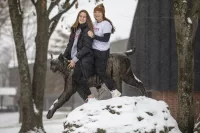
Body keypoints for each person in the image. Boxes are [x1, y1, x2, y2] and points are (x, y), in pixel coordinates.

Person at [88, 3, 121, 97]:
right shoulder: (93, 24)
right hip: (93, 50)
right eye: (95, 12)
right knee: (89, 70)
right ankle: (99, 89)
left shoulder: (106, 24)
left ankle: (114, 90)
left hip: (102, 51)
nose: (96, 14)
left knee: (101, 72)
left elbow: (105, 39)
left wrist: (93, 36)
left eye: (98, 12)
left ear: (103, 13)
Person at [63, 10, 95, 101]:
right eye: (80, 16)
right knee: (72, 81)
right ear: (78, 17)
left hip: (83, 59)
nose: (82, 18)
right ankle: (87, 99)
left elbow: (86, 48)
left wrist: (75, 59)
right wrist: (64, 58)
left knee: (76, 76)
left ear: (87, 19)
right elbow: (69, 45)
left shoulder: (88, 31)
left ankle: (89, 96)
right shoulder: (74, 30)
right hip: (72, 58)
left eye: (84, 17)